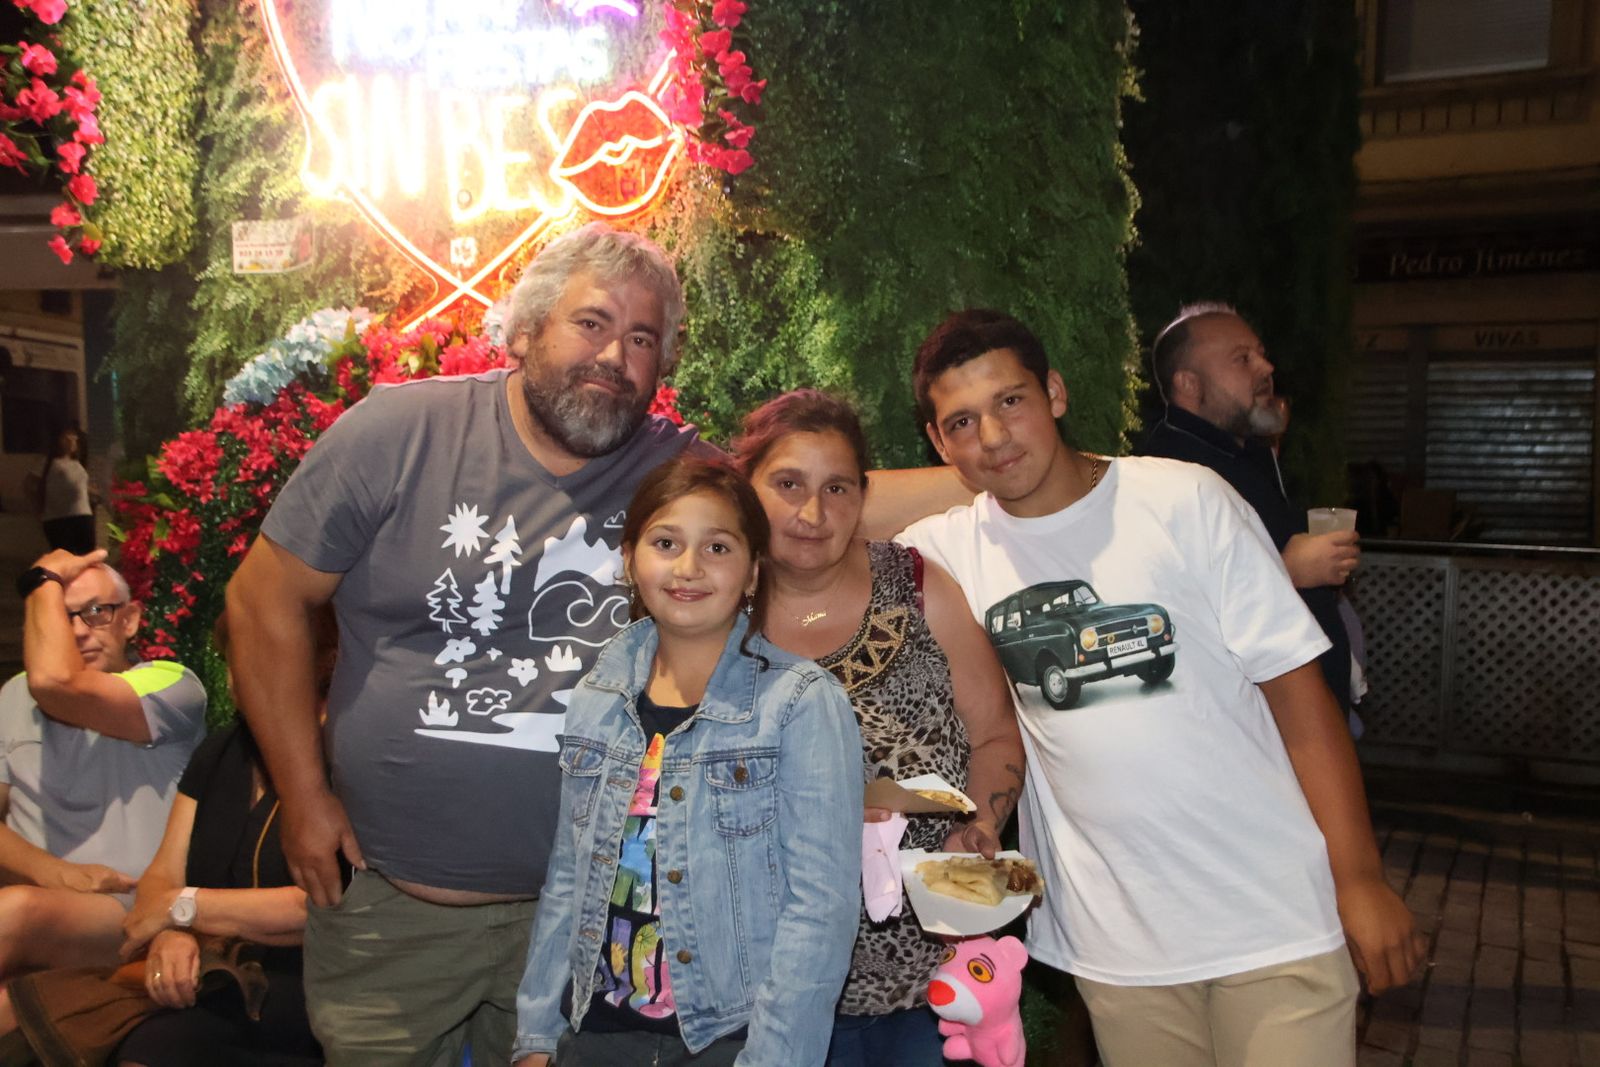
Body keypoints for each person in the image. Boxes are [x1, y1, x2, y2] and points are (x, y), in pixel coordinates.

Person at [225, 221, 967, 1065]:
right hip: (395, 912)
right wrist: (303, 796)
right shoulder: (397, 434)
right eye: (592, 322)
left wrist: (1012, 471)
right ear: (524, 329)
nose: (615, 354)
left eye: (642, 337)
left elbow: (810, 498)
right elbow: (262, 602)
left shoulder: (676, 476)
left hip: (590, 931)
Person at [896, 309, 1425, 1067]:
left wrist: (1360, 878)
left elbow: (1299, 699)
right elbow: (817, 503)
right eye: (962, 422)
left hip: (1272, 917)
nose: (995, 434)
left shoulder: (1185, 500)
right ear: (937, 442)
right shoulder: (950, 549)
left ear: (1055, 392)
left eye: (1012, 401)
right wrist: (976, 465)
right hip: (1119, 948)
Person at [513, 458, 863, 1067]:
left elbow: (821, 910)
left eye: (717, 547)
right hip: (597, 1031)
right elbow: (569, 876)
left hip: (730, 1039)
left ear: (753, 572)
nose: (689, 567)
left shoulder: (800, 702)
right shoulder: (597, 696)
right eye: (666, 543)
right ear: (630, 560)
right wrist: (537, 1037)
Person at [732, 390, 1025, 1066]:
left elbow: (996, 734)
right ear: (746, 490)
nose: (813, 512)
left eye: (836, 487)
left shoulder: (917, 586)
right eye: (788, 484)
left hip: (937, 978)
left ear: (863, 495)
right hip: (779, 988)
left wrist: (981, 824)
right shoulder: (718, 612)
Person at [1136, 303, 1356, 710]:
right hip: (1248, 726)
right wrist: (1289, 572)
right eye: (1242, 359)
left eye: (1261, 354)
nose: (1267, 368)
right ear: (1189, 384)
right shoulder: (1167, 470)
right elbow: (1167, 606)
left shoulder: (1245, 454)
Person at [0, 550, 207, 980]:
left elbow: (56, 684)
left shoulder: (171, 684)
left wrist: (43, 579)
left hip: (136, 908)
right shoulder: (13, 696)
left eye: (96, 612)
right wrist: (54, 873)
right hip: (35, 899)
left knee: (16, 913)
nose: (77, 631)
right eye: (61, 616)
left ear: (129, 620)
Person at [37, 426, 96, 554]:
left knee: (86, 555)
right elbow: (30, 484)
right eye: (67, 439)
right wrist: (39, 508)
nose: (72, 442)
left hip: (82, 514)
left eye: (74, 439)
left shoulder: (77, 463)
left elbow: (81, 486)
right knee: (65, 555)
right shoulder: (50, 462)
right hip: (58, 518)